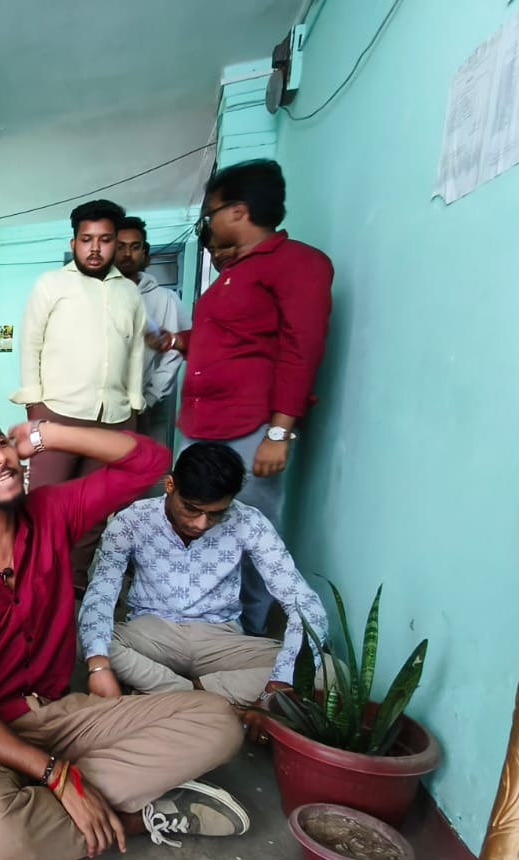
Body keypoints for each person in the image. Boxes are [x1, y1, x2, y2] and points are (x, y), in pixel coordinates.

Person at [0, 401, 247, 860]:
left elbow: (149, 463)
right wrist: (58, 775)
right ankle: (141, 817)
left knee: (219, 722)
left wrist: (47, 435)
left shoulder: (51, 512)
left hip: (60, 712)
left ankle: (38, 840)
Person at [176, 159, 333, 635]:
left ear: (238, 211)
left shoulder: (297, 264)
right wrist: (178, 341)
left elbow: (301, 350)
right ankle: (203, 622)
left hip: (249, 428)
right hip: (201, 424)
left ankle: (249, 634)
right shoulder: (233, 272)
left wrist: (279, 432)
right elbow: (230, 338)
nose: (210, 223)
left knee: (250, 533)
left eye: (211, 213)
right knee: (196, 524)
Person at [78, 442, 329, 710]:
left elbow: (304, 603)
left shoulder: (249, 522)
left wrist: (279, 682)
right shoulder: (132, 520)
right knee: (92, 645)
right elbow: (101, 595)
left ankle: (183, 694)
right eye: (191, 508)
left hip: (220, 638)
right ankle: (212, 698)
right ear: (170, 485)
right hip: (151, 634)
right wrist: (98, 664)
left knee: (330, 672)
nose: (201, 524)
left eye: (216, 514)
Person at [10, 198, 147, 587]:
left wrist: (134, 406)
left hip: (114, 418)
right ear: (74, 243)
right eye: (86, 239)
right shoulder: (52, 284)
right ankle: (34, 587)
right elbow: (30, 343)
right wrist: (35, 406)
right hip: (57, 414)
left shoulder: (129, 293)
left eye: (104, 240)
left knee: (92, 513)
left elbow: (136, 352)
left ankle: (73, 588)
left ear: (115, 242)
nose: (95, 248)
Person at [114, 215, 190, 453]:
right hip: (103, 407)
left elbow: (173, 355)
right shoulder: (99, 296)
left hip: (148, 407)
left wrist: (151, 396)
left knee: (145, 464)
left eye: (134, 247)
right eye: (120, 246)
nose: (127, 254)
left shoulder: (165, 299)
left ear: (145, 255)